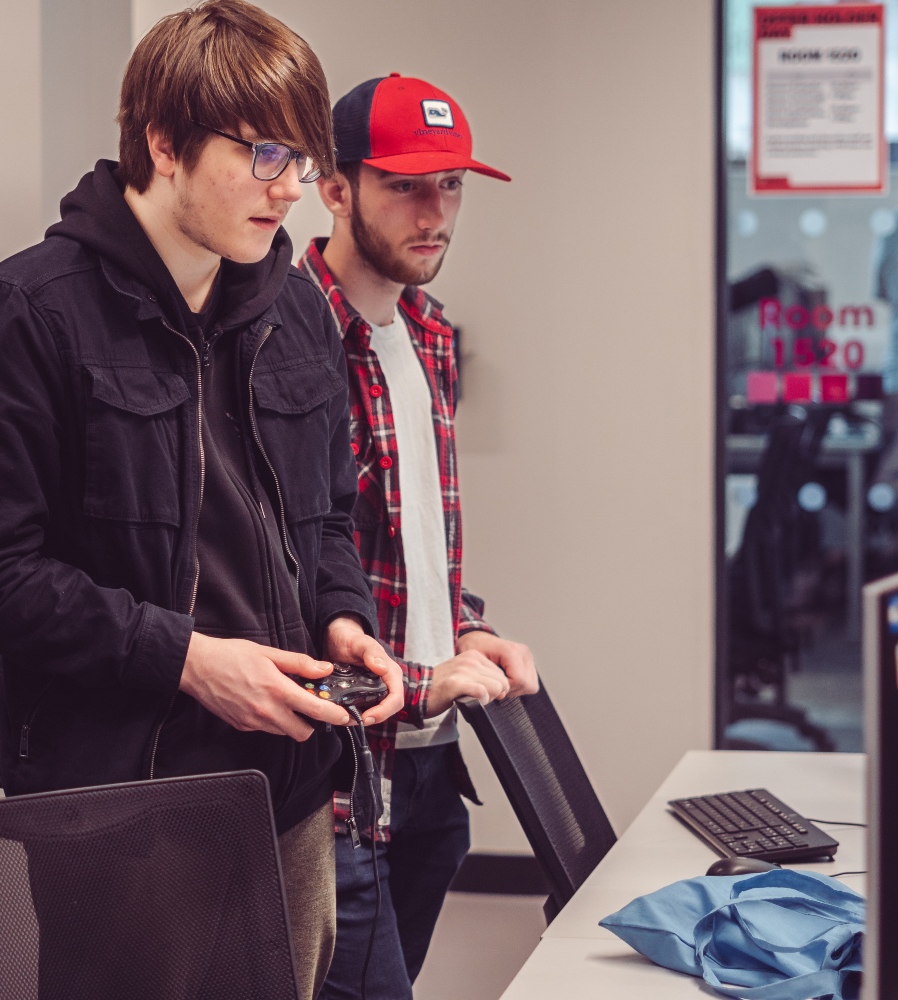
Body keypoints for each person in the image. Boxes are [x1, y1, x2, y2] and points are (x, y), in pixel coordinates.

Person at [0, 2, 403, 995]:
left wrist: (345, 615)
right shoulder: (29, 313)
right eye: (264, 154)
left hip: (291, 784)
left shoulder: (292, 305)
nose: (291, 191)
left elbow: (321, 519)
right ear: (163, 141)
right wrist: (184, 659)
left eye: (302, 162)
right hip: (124, 806)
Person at [298, 74, 540, 999]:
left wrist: (465, 627)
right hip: (349, 770)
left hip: (435, 765)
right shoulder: (289, 340)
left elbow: (412, 546)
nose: (434, 211)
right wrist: (420, 677)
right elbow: (292, 586)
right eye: (404, 184)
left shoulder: (429, 335)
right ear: (334, 187)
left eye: (450, 184)